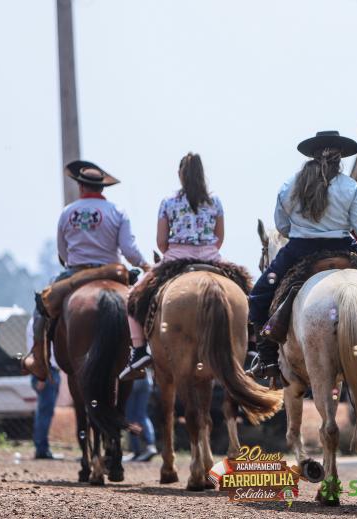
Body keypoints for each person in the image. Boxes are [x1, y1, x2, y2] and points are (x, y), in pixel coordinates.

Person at [247, 130, 357, 379]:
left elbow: (283, 227)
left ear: (312, 155)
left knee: (258, 296)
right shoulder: (351, 187)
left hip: (299, 250)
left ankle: (267, 360)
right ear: (340, 158)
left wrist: (305, 229)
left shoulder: (289, 186)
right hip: (343, 247)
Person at [22, 161, 149, 381]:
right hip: (113, 272)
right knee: (142, 304)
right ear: (102, 188)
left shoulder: (67, 212)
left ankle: (39, 359)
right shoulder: (117, 211)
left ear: (81, 187)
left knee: (42, 306)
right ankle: (142, 352)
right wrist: (145, 264)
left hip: (76, 273)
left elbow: (63, 252)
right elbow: (129, 250)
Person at [120, 152, 224, 381]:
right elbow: (219, 238)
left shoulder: (168, 203)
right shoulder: (215, 201)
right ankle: (252, 345)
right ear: (202, 173)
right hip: (211, 257)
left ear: (180, 174)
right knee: (248, 293)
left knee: (133, 296)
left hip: (176, 258)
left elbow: (161, 242)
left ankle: (139, 351)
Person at [26, 317, 63, 460]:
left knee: (44, 411)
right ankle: (41, 449)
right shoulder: (41, 321)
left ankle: (42, 447)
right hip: (47, 371)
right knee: (45, 411)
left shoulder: (38, 320)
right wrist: (42, 374)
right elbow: (39, 349)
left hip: (47, 371)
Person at [123, 370, 157, 462]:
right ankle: (150, 445)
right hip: (146, 379)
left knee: (130, 417)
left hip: (131, 380)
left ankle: (136, 450)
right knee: (142, 415)